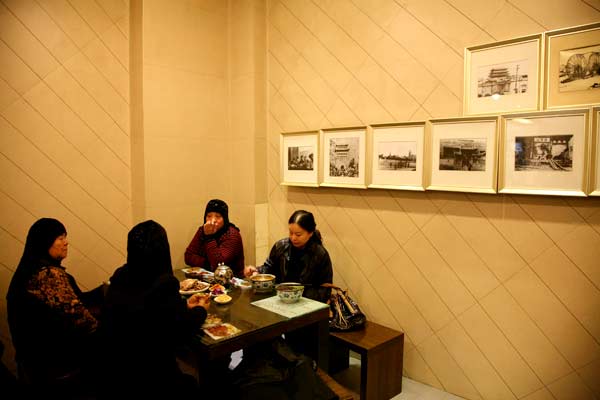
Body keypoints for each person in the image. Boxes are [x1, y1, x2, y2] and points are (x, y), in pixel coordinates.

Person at [99, 220, 210, 398]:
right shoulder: (163, 284)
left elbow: (152, 312)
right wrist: (201, 310)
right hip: (149, 380)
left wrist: (184, 305)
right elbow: (179, 331)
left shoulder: (121, 275)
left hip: (111, 373)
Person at [6, 218, 104, 398]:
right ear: (44, 242)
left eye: (65, 237)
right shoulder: (47, 274)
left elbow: (70, 300)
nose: (66, 242)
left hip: (31, 362)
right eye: (59, 238)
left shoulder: (30, 269)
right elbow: (81, 319)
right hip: (52, 365)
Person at [245, 210, 332, 303]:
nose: (293, 238)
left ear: (310, 233)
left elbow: (325, 289)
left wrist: (297, 294)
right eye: (291, 233)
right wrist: (257, 271)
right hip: (280, 299)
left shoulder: (320, 254)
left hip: (306, 303)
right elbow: (269, 268)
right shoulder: (280, 246)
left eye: (298, 234)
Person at [185, 199, 245, 278]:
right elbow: (188, 256)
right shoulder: (203, 230)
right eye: (209, 216)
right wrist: (208, 264)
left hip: (232, 281)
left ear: (225, 218)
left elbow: (219, 265)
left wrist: (209, 237)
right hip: (207, 279)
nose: (212, 220)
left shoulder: (232, 234)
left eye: (218, 216)